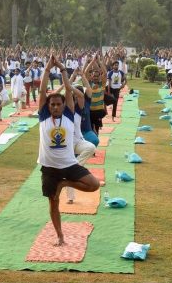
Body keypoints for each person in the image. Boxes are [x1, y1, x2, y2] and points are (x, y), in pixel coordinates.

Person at [37, 54, 99, 246]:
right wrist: (48, 69)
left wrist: (63, 69)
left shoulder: (70, 116)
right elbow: (41, 91)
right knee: (53, 203)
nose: (55, 106)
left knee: (94, 184)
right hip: (49, 167)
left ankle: (64, 184)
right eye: (52, 104)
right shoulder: (44, 117)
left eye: (58, 104)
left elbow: (70, 92)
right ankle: (59, 236)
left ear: (64, 106)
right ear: (48, 107)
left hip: (68, 164)